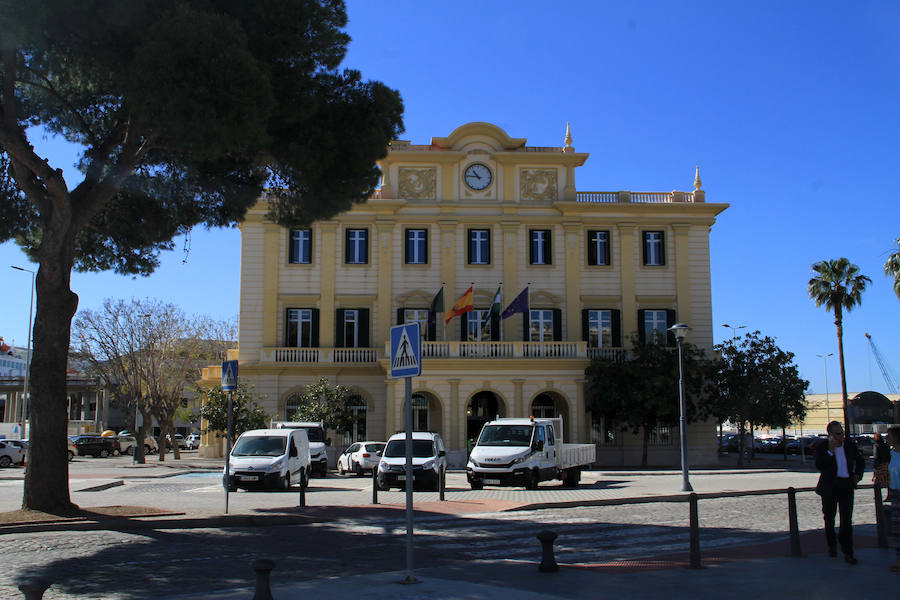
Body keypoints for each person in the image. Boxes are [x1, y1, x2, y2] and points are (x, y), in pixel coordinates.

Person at [815, 420, 865, 564]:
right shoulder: (823, 447)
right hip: (829, 488)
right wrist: (830, 451)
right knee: (829, 519)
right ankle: (832, 545)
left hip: (846, 486)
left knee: (846, 521)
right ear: (830, 434)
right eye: (838, 433)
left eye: (842, 432)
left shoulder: (849, 446)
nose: (841, 436)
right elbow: (820, 465)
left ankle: (848, 552)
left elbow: (860, 461)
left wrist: (858, 474)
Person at [886, 426, 900, 572]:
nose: (886, 438)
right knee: (897, 527)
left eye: (889, 436)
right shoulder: (892, 453)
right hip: (895, 492)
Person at [873, 432, 891, 498]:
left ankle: (877, 495)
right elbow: (889, 454)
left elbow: (876, 456)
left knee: (877, 481)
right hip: (887, 464)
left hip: (880, 465)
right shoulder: (886, 445)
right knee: (888, 481)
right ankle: (889, 495)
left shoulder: (876, 445)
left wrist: (875, 466)